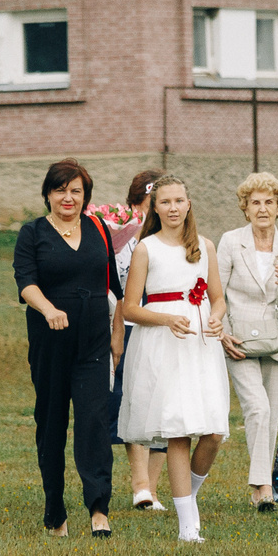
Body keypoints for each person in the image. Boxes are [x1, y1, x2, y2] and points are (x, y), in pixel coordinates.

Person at [114, 175, 231, 542]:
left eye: (179, 200)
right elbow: (130, 308)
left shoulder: (205, 246)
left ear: (188, 203)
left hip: (200, 346)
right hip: (164, 344)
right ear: (155, 207)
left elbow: (218, 298)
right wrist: (167, 319)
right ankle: (187, 526)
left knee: (214, 432)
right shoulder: (146, 249)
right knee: (178, 431)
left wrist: (216, 317)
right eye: (165, 202)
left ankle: (188, 496)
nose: (173, 208)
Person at [15, 160, 123, 537]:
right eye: (61, 190)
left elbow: (114, 287)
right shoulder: (32, 233)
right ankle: (55, 511)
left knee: (94, 421)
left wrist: (117, 333)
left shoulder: (99, 229)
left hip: (94, 339)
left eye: (76, 191)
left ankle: (98, 509)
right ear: (48, 193)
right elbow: (25, 283)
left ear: (85, 196)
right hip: (51, 341)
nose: (68, 197)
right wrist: (48, 309)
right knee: (52, 423)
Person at [216, 171, 278, 510]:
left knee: (270, 413)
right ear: (245, 208)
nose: (263, 209)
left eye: (269, 202)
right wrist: (222, 332)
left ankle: (260, 487)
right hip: (238, 339)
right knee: (258, 408)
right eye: (255, 202)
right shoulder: (230, 241)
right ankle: (264, 485)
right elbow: (216, 292)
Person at [104, 169, 165, 511]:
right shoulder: (119, 236)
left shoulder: (176, 240)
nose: (155, 210)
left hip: (165, 327)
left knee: (162, 404)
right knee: (130, 401)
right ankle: (139, 484)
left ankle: (153, 488)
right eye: (149, 202)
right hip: (127, 325)